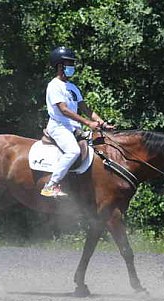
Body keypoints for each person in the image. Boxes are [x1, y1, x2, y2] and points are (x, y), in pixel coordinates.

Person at [41, 46, 113, 198]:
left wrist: (102, 123)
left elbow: (85, 108)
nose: (72, 67)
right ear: (60, 66)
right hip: (59, 127)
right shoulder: (53, 86)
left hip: (73, 128)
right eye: (69, 64)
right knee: (73, 151)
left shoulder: (73, 87)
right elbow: (64, 110)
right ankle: (51, 185)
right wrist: (88, 124)